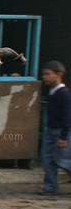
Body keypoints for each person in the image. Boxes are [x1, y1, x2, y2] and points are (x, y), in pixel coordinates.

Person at [38, 60, 71, 195]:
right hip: (50, 130)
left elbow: (67, 116)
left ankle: (51, 187)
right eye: (43, 74)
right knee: (47, 159)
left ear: (59, 74)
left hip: (60, 131)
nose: (44, 77)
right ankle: (50, 188)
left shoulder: (63, 94)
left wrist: (64, 136)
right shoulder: (52, 92)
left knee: (62, 160)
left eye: (47, 74)